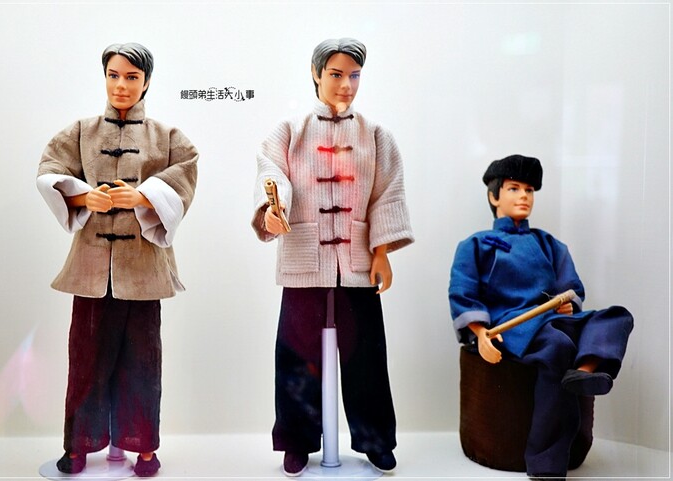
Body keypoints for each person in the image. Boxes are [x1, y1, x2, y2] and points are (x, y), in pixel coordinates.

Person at [251, 37, 413, 476]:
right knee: (297, 356)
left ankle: (375, 439)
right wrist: (273, 209)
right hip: (303, 256)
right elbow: (272, 173)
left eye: (354, 75)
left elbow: (387, 193)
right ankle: (297, 441)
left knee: (366, 356)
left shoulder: (376, 135)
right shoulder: (289, 130)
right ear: (316, 73)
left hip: (356, 261)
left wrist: (382, 252)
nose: (346, 85)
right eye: (336, 74)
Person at [37, 42, 198, 478]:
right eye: (113, 75)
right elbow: (49, 171)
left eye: (131, 77)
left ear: (147, 81)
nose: (121, 85)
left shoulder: (166, 137)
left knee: (142, 362)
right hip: (91, 266)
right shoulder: (81, 132)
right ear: (104, 76)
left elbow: (186, 172)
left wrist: (143, 196)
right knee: (85, 359)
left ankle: (143, 448)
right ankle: (78, 446)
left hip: (143, 268)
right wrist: (83, 195)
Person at [448, 154, 634, 480]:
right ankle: (546, 463)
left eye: (529, 190)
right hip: (515, 325)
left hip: (553, 318)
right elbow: (464, 293)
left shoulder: (549, 243)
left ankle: (585, 371)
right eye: (514, 188)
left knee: (615, 317)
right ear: (494, 196)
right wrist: (481, 334)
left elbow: (571, 288)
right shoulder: (476, 245)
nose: (524, 196)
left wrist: (569, 305)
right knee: (557, 346)